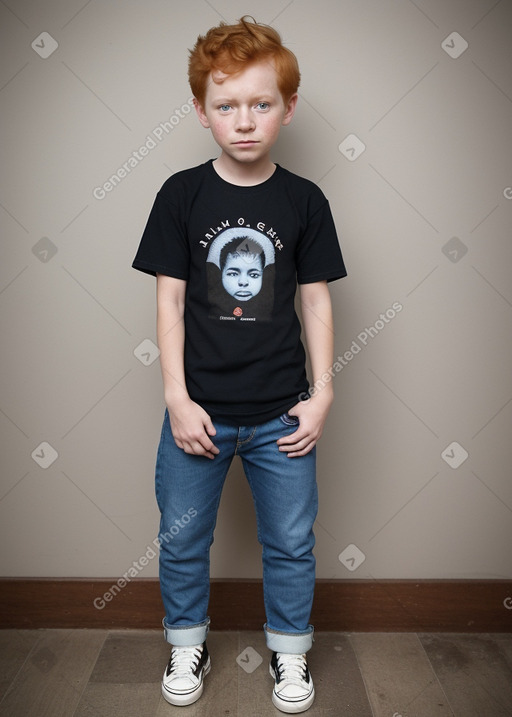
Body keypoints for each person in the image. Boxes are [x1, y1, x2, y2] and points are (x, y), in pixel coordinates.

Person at [132, 16, 347, 714]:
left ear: (288, 108)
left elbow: (314, 302)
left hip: (283, 414)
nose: (244, 121)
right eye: (226, 106)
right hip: (198, 412)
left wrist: (321, 395)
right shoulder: (181, 195)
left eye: (262, 104)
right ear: (201, 112)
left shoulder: (305, 201)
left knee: (289, 541)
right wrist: (176, 396)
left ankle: (289, 656)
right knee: (183, 537)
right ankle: (186, 641)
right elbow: (169, 301)